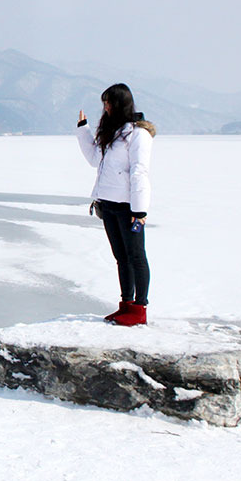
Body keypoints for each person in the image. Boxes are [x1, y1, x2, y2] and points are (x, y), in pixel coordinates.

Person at [76, 83, 156, 327]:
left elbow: (139, 171)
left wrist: (139, 211)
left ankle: (139, 309)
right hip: (108, 203)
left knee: (136, 256)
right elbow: (95, 160)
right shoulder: (114, 132)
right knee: (121, 257)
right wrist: (83, 130)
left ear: (121, 104)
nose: (106, 107)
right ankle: (126, 304)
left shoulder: (137, 134)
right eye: (104, 103)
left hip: (128, 206)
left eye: (109, 103)